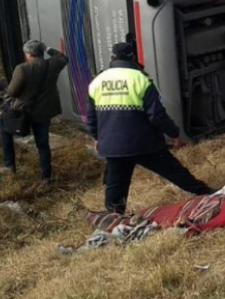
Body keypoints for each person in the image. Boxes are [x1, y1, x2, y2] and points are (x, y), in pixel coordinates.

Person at [87, 42, 214, 213]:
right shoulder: (141, 79)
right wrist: (174, 134)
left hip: (113, 146)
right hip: (144, 143)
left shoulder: (97, 82)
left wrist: (97, 138)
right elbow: (157, 115)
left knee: (115, 185)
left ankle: (114, 219)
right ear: (133, 57)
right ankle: (207, 193)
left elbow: (91, 118)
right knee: (174, 171)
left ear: (112, 58)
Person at [0, 40, 69, 183]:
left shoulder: (22, 69)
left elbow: (12, 91)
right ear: (41, 52)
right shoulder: (53, 64)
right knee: (43, 144)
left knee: (4, 130)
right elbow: (63, 57)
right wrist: (47, 47)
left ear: (29, 54)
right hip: (44, 111)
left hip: (24, 111)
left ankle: (9, 166)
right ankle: (46, 176)